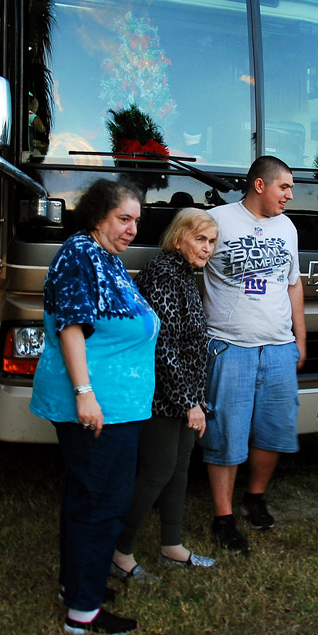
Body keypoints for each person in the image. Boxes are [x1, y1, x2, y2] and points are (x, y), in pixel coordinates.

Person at [29, 179, 159, 635]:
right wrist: (85, 393)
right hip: (99, 405)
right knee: (102, 502)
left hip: (119, 405)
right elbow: (70, 325)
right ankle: (83, 612)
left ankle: (76, 586)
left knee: (89, 497)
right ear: (98, 216)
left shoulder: (106, 258)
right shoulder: (80, 253)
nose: (131, 229)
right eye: (124, 219)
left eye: (136, 221)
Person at [199, 156, 306, 553]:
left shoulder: (288, 227)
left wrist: (301, 338)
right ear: (260, 185)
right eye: (284, 187)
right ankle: (223, 517)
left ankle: (255, 497)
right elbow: (189, 261)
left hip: (278, 347)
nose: (290, 196)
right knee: (226, 435)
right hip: (230, 346)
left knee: (273, 431)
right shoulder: (217, 220)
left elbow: (293, 285)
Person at [112, 208, 220, 582]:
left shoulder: (185, 274)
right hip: (163, 395)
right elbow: (164, 347)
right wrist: (190, 401)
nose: (208, 249)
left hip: (184, 393)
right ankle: (118, 551)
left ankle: (171, 546)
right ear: (179, 238)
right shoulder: (162, 273)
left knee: (178, 469)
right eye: (201, 239)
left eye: (212, 242)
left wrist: (196, 398)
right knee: (157, 470)